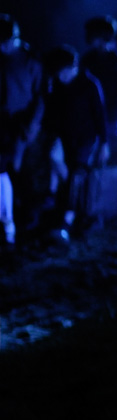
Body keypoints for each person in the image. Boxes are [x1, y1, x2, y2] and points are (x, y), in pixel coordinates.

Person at [42, 45, 109, 240]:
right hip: (64, 138)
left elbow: (100, 114)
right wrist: (53, 135)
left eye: (64, 71)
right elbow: (53, 114)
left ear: (73, 67)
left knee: (77, 174)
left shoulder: (90, 84)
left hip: (86, 140)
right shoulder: (58, 86)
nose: (61, 76)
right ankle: (67, 207)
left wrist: (104, 142)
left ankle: (68, 220)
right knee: (65, 174)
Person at [1, 14, 45, 246]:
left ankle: (30, 220)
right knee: (5, 174)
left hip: (25, 129)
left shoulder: (30, 62)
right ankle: (9, 222)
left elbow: (40, 97)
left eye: (6, 40)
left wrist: (31, 126)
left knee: (25, 175)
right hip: (3, 128)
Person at [81, 15, 117, 169]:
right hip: (93, 119)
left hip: (113, 119)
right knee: (96, 160)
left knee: (113, 161)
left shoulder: (116, 60)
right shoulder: (88, 59)